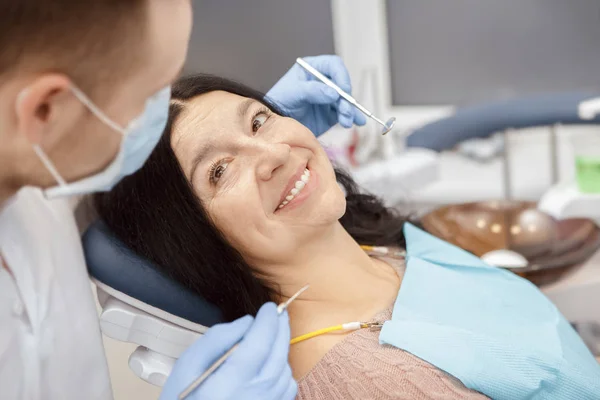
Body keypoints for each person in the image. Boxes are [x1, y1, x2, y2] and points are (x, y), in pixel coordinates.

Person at [96, 74, 600, 400]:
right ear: (190, 237)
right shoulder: (374, 380)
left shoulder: (375, 243)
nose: (272, 153)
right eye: (221, 170)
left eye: (259, 120)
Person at [0, 1, 366, 399]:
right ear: (44, 109)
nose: (169, 106)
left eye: (260, 119)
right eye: (153, 90)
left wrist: (247, 129)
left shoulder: (44, 175)